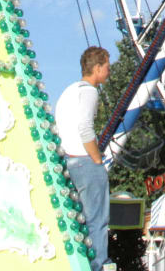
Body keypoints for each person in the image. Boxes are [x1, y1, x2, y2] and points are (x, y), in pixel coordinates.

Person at [56, 45, 112, 271]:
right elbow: (85, 128)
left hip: (70, 161)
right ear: (97, 68)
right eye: (107, 67)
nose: (109, 72)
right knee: (97, 219)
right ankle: (99, 265)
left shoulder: (69, 91)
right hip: (86, 161)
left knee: (79, 221)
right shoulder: (89, 91)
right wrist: (97, 158)